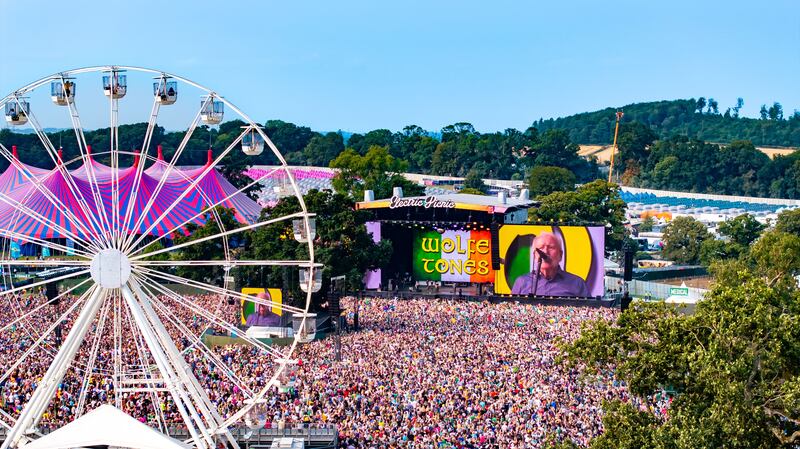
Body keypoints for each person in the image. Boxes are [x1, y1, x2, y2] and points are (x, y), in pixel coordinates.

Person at [511, 231, 589, 297]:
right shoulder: (521, 282)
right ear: (534, 256)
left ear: (560, 255)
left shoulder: (577, 283)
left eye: (551, 247)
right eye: (541, 248)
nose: (545, 252)